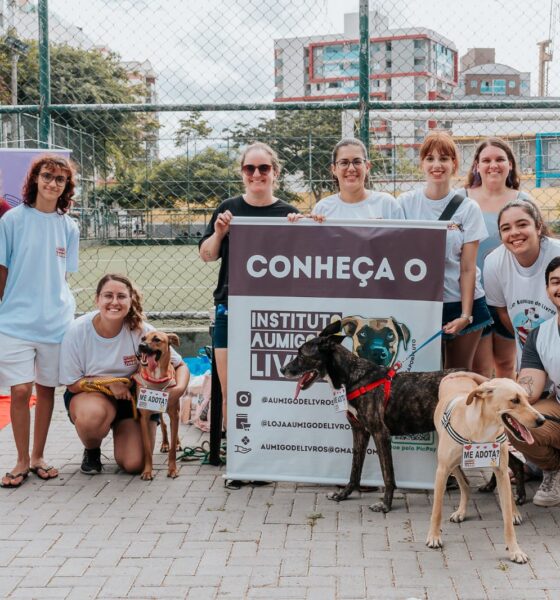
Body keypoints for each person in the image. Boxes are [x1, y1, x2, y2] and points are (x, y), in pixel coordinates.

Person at [199, 142, 298, 431]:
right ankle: (237, 463)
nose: (256, 174)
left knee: (270, 388)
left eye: (263, 168)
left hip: (273, 310)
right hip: (231, 308)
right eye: (249, 168)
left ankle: (264, 457)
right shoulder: (228, 209)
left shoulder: (288, 213)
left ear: (275, 172)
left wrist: (299, 230)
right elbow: (207, 255)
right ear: (242, 173)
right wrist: (219, 234)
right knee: (232, 389)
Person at [0, 155, 79, 488]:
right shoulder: (12, 221)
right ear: (34, 179)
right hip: (15, 322)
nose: (52, 183)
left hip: (55, 323)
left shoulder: (69, 226)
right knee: (20, 391)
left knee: (46, 390)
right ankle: (19, 460)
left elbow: (62, 275)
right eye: (47, 176)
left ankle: (38, 457)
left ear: (66, 188)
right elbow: (3, 270)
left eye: (60, 180)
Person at [59, 274, 189, 474]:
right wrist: (109, 383)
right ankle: (92, 451)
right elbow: (72, 383)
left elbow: (180, 365)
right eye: (108, 296)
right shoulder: (77, 331)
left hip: (134, 400)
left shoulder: (142, 332)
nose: (114, 302)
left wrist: (178, 390)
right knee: (92, 417)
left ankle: (125, 431)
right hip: (92, 396)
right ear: (97, 299)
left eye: (121, 296)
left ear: (131, 301)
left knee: (135, 464)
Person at [398, 131, 492, 370]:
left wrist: (465, 315)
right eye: (430, 158)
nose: (437, 165)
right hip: (422, 303)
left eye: (444, 158)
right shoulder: (405, 203)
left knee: (456, 375)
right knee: (422, 375)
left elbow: (468, 267)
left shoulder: (468, 208)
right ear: (421, 164)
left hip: (459, 301)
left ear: (454, 164)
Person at [464, 138, 533, 378]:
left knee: (506, 364)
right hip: (472, 295)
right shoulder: (461, 199)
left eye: (500, 159)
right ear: (476, 166)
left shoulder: (524, 201)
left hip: (508, 294)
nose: (493, 165)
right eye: (486, 160)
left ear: (510, 165)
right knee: (479, 369)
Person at [483, 199, 560, 368]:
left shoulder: (557, 253)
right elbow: (502, 311)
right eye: (506, 228)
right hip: (530, 354)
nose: (514, 232)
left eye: (522, 224)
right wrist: (533, 343)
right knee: (531, 393)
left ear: (538, 227)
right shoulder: (493, 262)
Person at [510, 257, 560, 507]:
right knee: (517, 419)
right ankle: (553, 471)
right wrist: (488, 387)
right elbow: (528, 391)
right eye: (556, 282)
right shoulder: (541, 334)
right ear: (548, 290)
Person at [312, 138, 403, 219]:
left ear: (367, 166)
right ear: (334, 169)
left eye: (357, 162)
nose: (351, 168)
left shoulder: (386, 205)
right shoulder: (322, 209)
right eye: (344, 163)